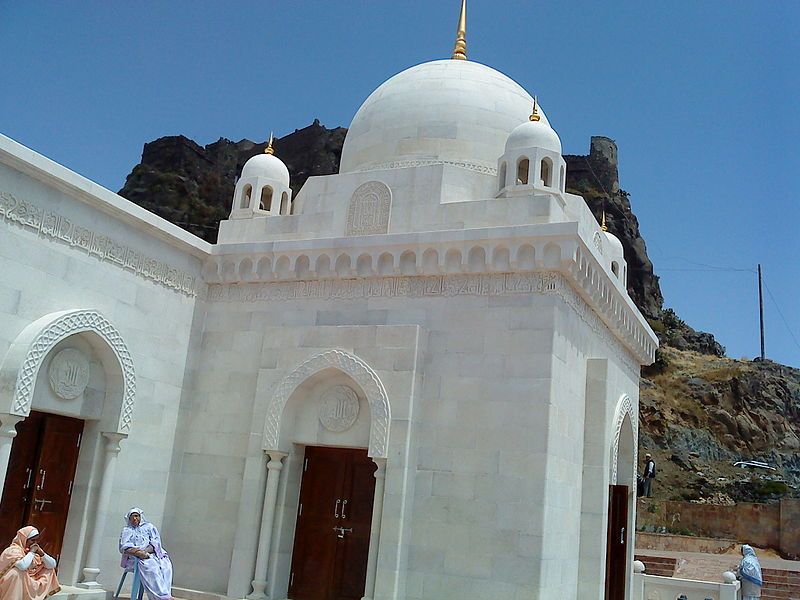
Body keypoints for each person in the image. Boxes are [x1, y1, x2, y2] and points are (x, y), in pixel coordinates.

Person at [119, 508, 173, 600]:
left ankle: (166, 594)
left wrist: (146, 551)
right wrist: (139, 553)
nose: (135, 519)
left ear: (140, 517)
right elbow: (124, 547)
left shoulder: (149, 527)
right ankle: (160, 597)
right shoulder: (127, 530)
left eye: (136, 516)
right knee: (151, 567)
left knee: (166, 566)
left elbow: (155, 542)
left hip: (151, 553)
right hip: (135, 557)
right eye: (132, 517)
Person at [0, 526, 60, 599]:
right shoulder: (12, 550)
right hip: (13, 582)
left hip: (29, 581)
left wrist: (42, 554)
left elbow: (52, 565)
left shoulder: (34, 552)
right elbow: (22, 566)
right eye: (32, 540)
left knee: (49, 570)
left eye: (36, 541)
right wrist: (31, 552)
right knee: (16, 573)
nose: (34, 543)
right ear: (24, 539)